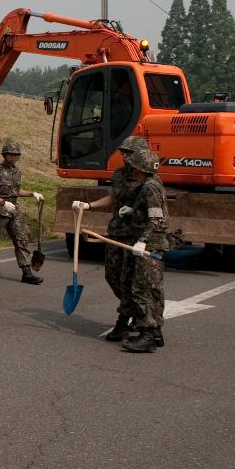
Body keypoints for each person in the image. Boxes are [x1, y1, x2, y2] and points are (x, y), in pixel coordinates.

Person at [71, 144, 168, 353]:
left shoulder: (150, 186)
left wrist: (142, 241)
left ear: (140, 168)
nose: (129, 168)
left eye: (133, 164)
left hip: (147, 244)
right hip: (134, 238)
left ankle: (149, 333)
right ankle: (150, 330)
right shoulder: (144, 184)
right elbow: (145, 210)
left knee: (142, 288)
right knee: (127, 282)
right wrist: (132, 209)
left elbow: (158, 220)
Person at [0, 139, 45, 284]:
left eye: (16, 155)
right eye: (11, 154)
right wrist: (2, 202)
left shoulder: (17, 171)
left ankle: (27, 273)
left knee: (22, 240)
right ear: (4, 154)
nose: (14, 157)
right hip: (0, 210)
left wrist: (33, 193)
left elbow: (16, 190)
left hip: (14, 209)